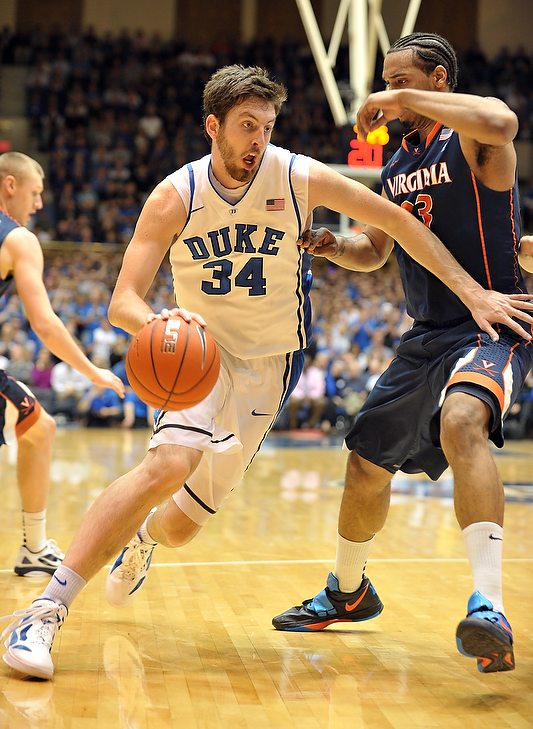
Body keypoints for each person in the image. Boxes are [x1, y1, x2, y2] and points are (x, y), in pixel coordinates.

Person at [2, 64, 532, 681]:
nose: (258, 139)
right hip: (199, 355)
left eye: (267, 126)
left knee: (179, 528)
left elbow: (398, 223)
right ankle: (46, 609)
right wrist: (157, 324)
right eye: (246, 126)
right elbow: (124, 300)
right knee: (167, 463)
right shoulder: (177, 195)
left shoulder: (293, 173)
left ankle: (142, 538)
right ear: (213, 127)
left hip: (271, 365)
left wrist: (473, 292)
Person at [270, 33, 533, 675]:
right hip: (427, 334)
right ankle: (347, 591)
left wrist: (400, 97)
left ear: (438, 80)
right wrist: (331, 244)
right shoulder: (393, 167)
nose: (387, 94)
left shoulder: (471, 139)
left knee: (462, 421)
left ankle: (489, 607)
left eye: (400, 81)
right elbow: (376, 252)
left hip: (490, 321)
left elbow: (503, 119)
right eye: (385, 82)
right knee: (363, 463)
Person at [0, 152, 124, 579]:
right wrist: (93, 372)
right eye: (34, 193)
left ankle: (35, 547)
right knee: (40, 429)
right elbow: (45, 324)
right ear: (10, 186)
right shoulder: (17, 239)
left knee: (39, 428)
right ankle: (34, 548)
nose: (38, 204)